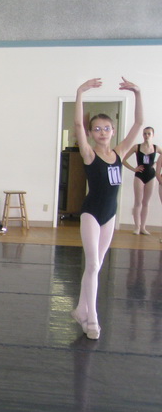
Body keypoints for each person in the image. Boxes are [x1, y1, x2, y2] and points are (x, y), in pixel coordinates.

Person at [71, 77, 143, 340]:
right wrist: (80, 92)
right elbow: (77, 124)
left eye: (107, 128)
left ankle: (80, 309)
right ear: (91, 133)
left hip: (110, 215)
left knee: (96, 266)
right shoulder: (89, 154)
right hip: (91, 213)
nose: (102, 132)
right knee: (92, 264)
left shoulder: (119, 153)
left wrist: (137, 93)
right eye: (97, 129)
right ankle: (92, 318)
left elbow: (138, 123)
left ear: (113, 131)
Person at [121, 127, 157, 235]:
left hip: (151, 177)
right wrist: (134, 169)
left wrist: (156, 164)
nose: (146, 136)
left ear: (153, 135)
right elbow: (123, 159)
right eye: (145, 133)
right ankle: (136, 227)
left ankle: (143, 227)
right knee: (138, 202)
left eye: (149, 134)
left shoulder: (156, 148)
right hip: (139, 176)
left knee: (146, 202)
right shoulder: (137, 147)